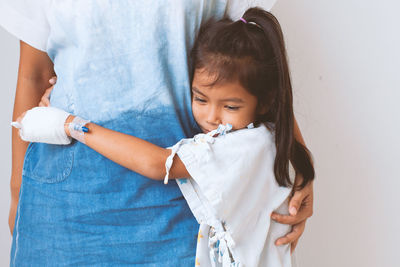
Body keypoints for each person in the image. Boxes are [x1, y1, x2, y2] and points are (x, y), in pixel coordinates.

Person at [0, 0, 313, 265]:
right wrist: (17, 193)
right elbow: (35, 75)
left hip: (182, 197)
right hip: (62, 201)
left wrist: (296, 162)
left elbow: (251, 62)